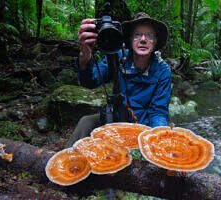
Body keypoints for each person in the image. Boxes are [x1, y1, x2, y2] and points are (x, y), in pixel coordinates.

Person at [66, 12, 171, 147]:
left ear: (155, 42)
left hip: (144, 124)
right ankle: (66, 162)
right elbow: (90, 81)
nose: (143, 39)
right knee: (86, 122)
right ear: (130, 39)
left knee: (165, 135)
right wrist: (85, 54)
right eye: (137, 35)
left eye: (149, 35)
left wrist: (158, 136)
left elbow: (158, 112)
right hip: (116, 117)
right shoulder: (118, 57)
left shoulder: (162, 70)